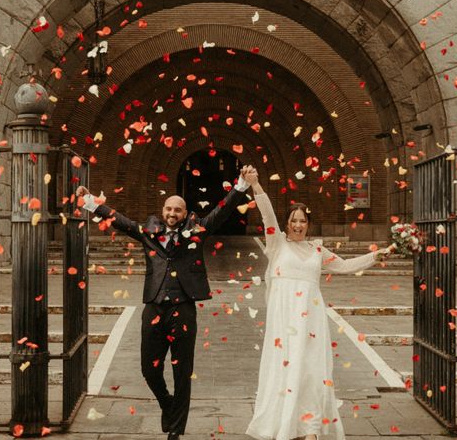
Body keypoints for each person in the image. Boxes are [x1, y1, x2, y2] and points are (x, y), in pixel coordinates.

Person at [76, 166, 251, 440]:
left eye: (178, 210)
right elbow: (120, 220)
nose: (172, 214)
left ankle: (176, 431)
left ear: (185, 213)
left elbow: (221, 212)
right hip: (154, 307)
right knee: (149, 368)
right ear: (163, 210)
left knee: (182, 372)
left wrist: (240, 185)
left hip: (183, 308)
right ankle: (168, 404)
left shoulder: (197, 231)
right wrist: (90, 202)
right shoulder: (148, 232)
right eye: (168, 209)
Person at [243, 169, 388, 440]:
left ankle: (309, 428)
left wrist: (375, 256)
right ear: (286, 224)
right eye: (293, 220)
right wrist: (256, 185)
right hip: (284, 319)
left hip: (311, 319)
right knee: (286, 366)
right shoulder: (276, 245)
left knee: (311, 369)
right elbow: (267, 216)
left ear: (308, 224)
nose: (298, 225)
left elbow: (345, 266)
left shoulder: (318, 252)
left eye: (303, 221)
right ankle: (286, 425)